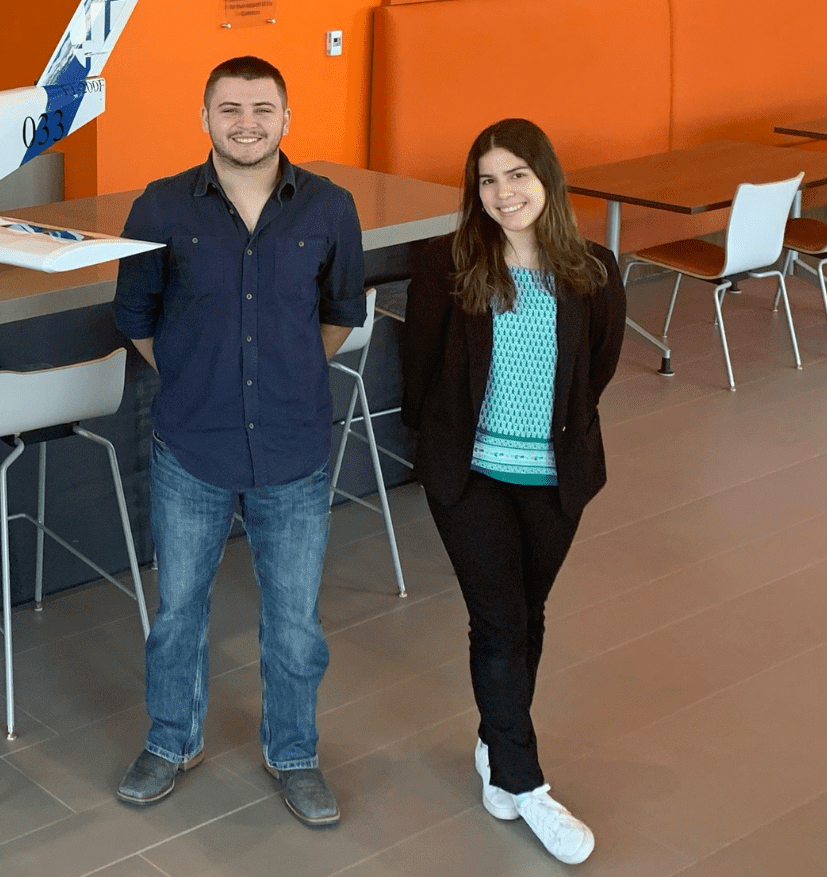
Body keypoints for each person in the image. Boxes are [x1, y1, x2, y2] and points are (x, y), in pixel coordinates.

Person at [111, 55, 366, 826]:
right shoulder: (159, 207)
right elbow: (137, 318)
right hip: (192, 446)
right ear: (204, 117)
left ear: (288, 118)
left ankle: (294, 754)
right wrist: (197, 380)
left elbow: (340, 310)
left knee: (294, 621)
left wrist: (283, 375)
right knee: (178, 610)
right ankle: (170, 739)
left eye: (262, 108)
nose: (246, 122)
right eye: (230, 109)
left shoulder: (331, 207)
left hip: (291, 450)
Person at [399, 118, 625, 865]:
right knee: (498, 620)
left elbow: (595, 372)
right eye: (487, 180)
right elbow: (420, 371)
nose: (502, 193)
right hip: (471, 478)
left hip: (554, 480)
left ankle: (495, 741)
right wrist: (435, 462)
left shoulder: (594, 269)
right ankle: (527, 785)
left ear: (547, 178)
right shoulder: (446, 265)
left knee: (527, 613)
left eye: (516, 175)